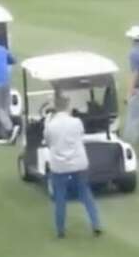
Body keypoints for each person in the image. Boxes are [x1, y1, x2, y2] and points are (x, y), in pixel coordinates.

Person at [44, 92, 102, 239]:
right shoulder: (77, 122)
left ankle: (60, 230)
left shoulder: (50, 125)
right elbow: (79, 136)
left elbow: (48, 142)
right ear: (67, 105)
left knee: (60, 198)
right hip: (79, 163)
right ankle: (96, 224)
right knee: (85, 194)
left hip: (59, 165)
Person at [123, 26, 139, 143]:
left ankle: (129, 143)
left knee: (133, 118)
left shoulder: (134, 53)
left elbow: (135, 74)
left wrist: (129, 93)